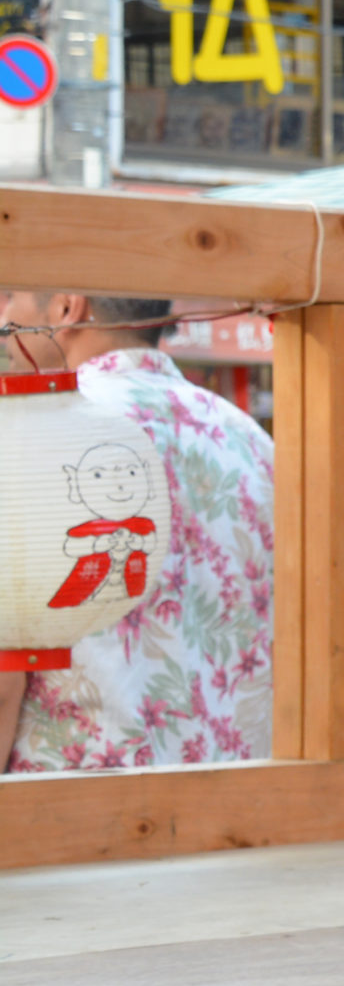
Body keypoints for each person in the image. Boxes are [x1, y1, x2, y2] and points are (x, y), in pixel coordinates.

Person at [0, 289, 274, 770]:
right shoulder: (250, 439)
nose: (4, 316)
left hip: (71, 799)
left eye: (10, 296)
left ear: (67, 307)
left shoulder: (31, 434)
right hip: (238, 794)